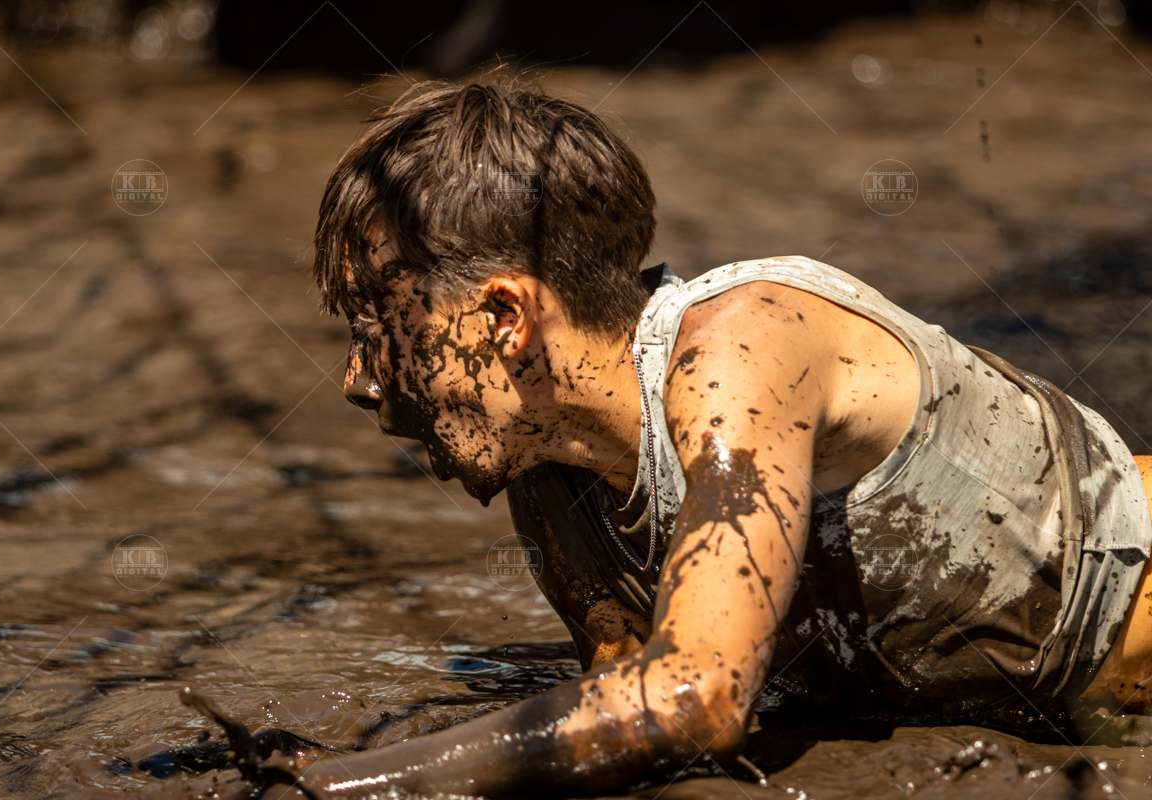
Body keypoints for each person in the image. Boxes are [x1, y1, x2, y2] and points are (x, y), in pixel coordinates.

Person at [275, 80, 1152, 797]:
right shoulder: (551, 472)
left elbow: (696, 696)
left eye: (373, 324)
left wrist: (356, 782)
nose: (360, 378)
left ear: (505, 316)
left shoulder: (746, 349)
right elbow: (626, 713)